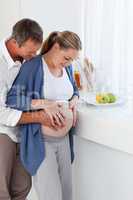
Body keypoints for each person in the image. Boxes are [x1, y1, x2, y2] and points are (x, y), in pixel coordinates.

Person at [6, 31, 82, 200]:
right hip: (41, 142)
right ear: (56, 47)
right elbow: (12, 99)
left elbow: (75, 91)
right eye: (67, 58)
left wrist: (74, 101)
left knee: (67, 194)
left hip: (64, 141)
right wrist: (43, 103)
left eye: (72, 60)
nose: (69, 63)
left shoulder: (66, 67)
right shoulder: (32, 66)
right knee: (51, 196)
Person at [0, 19, 65, 200]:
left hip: (22, 131)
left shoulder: (27, 60)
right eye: (30, 51)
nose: (34, 55)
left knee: (22, 185)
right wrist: (39, 116)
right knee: (2, 189)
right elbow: (1, 112)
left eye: (36, 50)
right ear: (15, 42)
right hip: (2, 130)